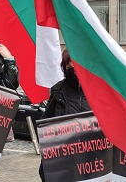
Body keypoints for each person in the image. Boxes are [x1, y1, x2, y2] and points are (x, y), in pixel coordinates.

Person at [39, 49, 91, 181]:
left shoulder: (98, 91)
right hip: (62, 160)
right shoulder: (58, 90)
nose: (73, 69)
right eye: (69, 66)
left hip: (89, 161)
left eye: (77, 65)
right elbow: (46, 124)